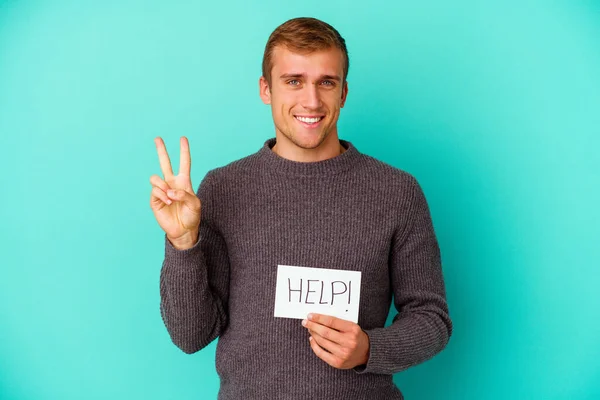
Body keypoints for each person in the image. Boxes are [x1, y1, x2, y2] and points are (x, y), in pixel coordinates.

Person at [151, 17, 452, 400]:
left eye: (326, 82)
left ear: (343, 92)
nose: (311, 100)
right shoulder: (223, 187)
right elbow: (191, 336)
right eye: (293, 81)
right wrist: (182, 243)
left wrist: (369, 350)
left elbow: (431, 318)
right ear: (266, 89)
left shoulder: (398, 191)